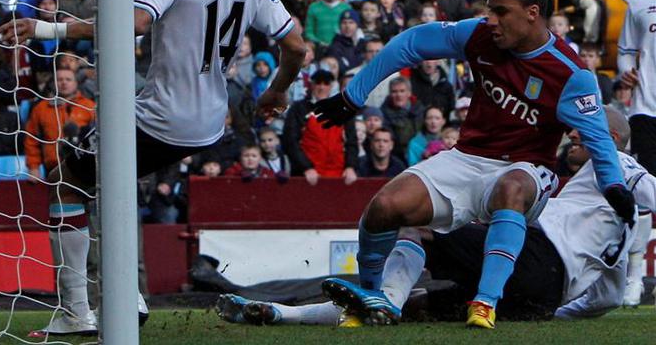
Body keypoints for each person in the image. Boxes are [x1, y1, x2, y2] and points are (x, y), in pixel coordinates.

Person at [0, 0, 307, 336]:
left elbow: (135, 22)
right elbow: (297, 45)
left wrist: (49, 31)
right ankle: (122, 296)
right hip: (208, 123)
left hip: (163, 117)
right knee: (104, 181)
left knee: (67, 182)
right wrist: (277, 91)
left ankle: (85, 308)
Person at [311, 0, 632, 329]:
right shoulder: (479, 34)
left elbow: (601, 138)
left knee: (511, 187)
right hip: (466, 158)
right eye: (490, 10)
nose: (491, 19)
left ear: (532, 12)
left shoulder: (571, 73)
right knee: (384, 208)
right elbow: (413, 42)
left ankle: (485, 303)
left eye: (501, 11)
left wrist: (614, 186)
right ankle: (370, 298)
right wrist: (354, 94)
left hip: (527, 168)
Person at [219, 106, 653, 327]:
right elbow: (611, 297)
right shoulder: (620, 219)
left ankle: (384, 296)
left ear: (609, 137)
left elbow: (645, 185)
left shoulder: (614, 162)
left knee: (413, 226)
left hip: (537, 257)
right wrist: (554, 313)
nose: (573, 136)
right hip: (544, 296)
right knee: (417, 309)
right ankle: (279, 314)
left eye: (580, 132)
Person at [618, 0, 656, 174]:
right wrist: (627, 71)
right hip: (645, 108)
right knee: (648, 181)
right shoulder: (638, 3)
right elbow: (625, 52)